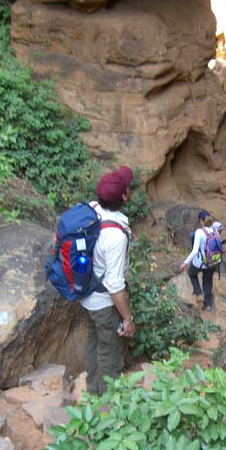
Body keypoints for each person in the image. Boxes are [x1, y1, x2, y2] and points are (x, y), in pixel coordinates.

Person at [80, 166, 135, 394]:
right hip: (103, 301)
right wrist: (128, 318)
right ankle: (106, 403)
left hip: (84, 294)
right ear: (124, 196)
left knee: (94, 342)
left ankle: (92, 390)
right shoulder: (115, 236)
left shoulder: (91, 211)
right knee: (109, 349)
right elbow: (115, 286)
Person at [180, 213, 220, 311]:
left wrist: (185, 262)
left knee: (191, 273)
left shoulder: (199, 232)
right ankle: (208, 304)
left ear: (201, 221)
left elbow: (194, 251)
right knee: (207, 281)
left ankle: (198, 293)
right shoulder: (216, 231)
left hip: (200, 262)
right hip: (212, 262)